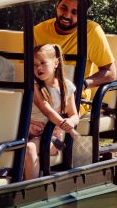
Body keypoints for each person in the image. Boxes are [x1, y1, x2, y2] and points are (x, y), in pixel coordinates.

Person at [30, 0, 116, 90]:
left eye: (75, 12)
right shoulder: (37, 31)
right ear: (57, 5)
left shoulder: (92, 31)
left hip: (75, 99)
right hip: (39, 96)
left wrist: (80, 85)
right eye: (63, 8)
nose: (67, 15)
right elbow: (25, 69)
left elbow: (110, 73)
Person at [21, 42, 80, 180]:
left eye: (42, 63)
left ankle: (31, 189)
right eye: (35, 65)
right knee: (26, 146)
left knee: (30, 148)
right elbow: (46, 110)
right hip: (29, 131)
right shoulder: (35, 86)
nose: (38, 68)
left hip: (51, 135)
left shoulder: (67, 87)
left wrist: (70, 123)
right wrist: (68, 128)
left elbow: (74, 114)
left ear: (55, 63)